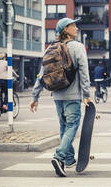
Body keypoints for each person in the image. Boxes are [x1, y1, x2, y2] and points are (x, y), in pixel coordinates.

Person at [30, 17, 92, 177]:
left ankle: (69, 159)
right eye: (73, 25)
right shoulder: (78, 47)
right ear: (66, 29)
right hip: (73, 96)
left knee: (64, 127)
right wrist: (87, 94)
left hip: (57, 95)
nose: (76, 28)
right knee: (72, 126)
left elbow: (41, 74)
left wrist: (34, 96)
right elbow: (84, 72)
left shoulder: (50, 48)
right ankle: (58, 156)